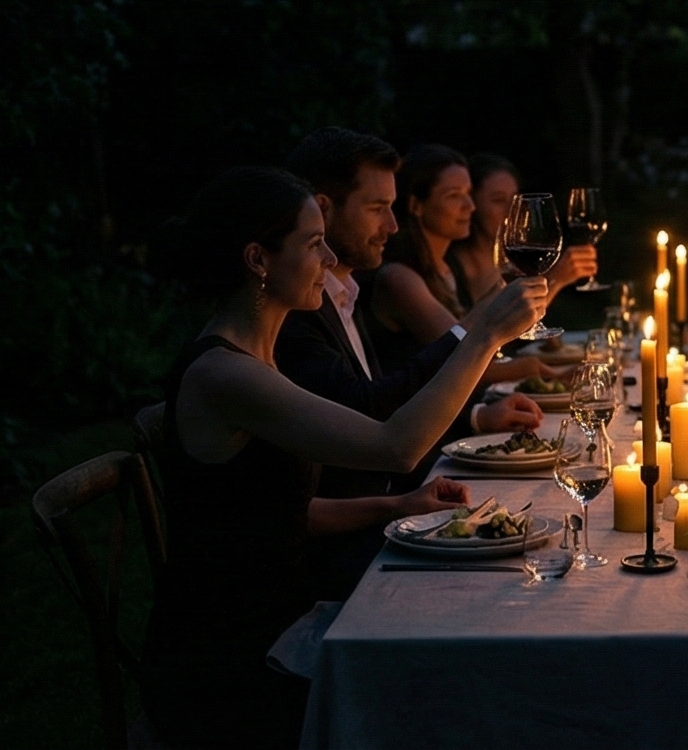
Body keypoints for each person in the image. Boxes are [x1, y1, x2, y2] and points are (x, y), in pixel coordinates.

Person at [141, 167, 546, 747]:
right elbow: (396, 446)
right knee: (466, 669)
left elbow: (267, 509)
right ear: (258, 260)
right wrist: (483, 337)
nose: (330, 259)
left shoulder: (257, 358)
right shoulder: (225, 375)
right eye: (313, 244)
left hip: (281, 610)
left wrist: (397, 507)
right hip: (236, 658)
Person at [276, 127, 543, 599]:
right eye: (377, 208)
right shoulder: (297, 319)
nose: (393, 226)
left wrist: (477, 417)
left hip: (387, 515)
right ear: (324, 208)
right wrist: (478, 332)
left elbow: (387, 396)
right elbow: (372, 415)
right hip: (336, 565)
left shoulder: (342, 297)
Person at [366, 144, 597, 378]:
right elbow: (461, 356)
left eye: (468, 193)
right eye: (454, 195)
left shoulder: (443, 269)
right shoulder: (398, 278)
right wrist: (551, 373)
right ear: (416, 205)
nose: (470, 206)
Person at [446, 152, 521, 304]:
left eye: (515, 200)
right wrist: (556, 280)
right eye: (499, 200)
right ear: (473, 203)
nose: (512, 211)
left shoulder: (517, 262)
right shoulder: (449, 267)